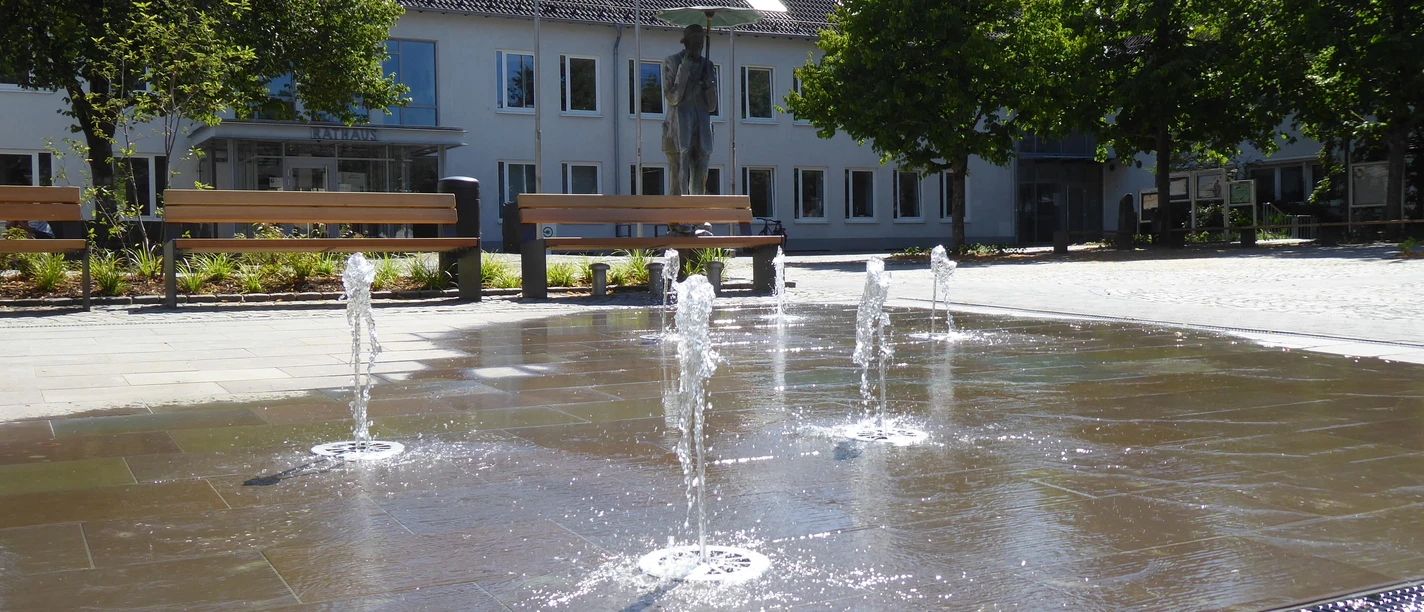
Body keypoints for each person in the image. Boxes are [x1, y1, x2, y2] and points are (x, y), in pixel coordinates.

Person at [661, 24, 719, 237]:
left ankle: (698, 217)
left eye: (701, 43)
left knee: (700, 172)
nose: (699, 47)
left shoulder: (708, 65)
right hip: (678, 128)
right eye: (695, 43)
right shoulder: (672, 62)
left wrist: (709, 84)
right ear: (686, 43)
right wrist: (684, 70)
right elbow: (672, 97)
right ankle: (679, 218)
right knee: (680, 173)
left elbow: (712, 106)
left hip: (702, 127)